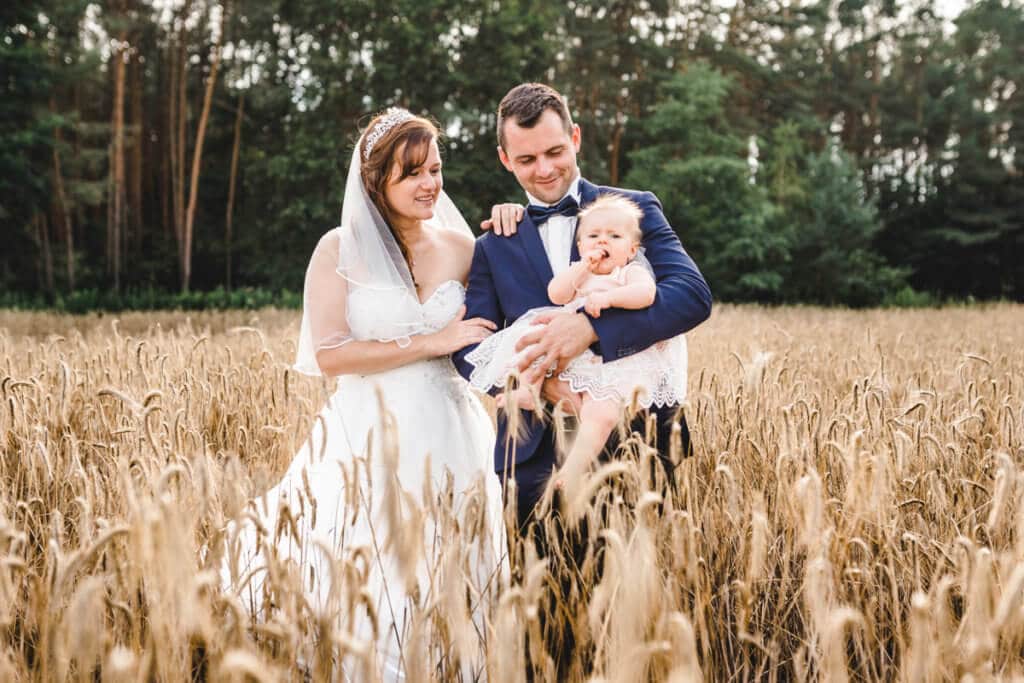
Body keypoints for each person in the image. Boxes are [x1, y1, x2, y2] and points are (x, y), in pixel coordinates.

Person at [221, 108, 507, 682]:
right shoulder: (337, 251)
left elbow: (507, 320)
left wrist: (513, 221)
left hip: (450, 427)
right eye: (413, 174)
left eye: (436, 169)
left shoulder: (463, 249)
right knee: (371, 560)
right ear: (378, 182)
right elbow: (330, 354)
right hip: (368, 432)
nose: (431, 184)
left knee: (451, 559)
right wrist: (432, 340)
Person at [451, 82, 712, 675]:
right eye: (526, 160)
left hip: (640, 442)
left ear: (574, 138)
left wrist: (591, 333)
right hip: (532, 453)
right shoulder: (495, 241)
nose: (543, 170)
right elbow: (470, 344)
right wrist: (533, 384)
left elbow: (689, 296)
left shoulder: (633, 207)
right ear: (504, 160)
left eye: (554, 152)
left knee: (640, 614)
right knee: (543, 623)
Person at [463, 194, 688, 515]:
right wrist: (582, 269)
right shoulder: (576, 269)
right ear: (580, 245)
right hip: (561, 359)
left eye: (614, 236)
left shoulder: (630, 273)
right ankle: (526, 388)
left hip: (611, 364)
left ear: (632, 249)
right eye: (593, 236)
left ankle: (574, 467)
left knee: (602, 415)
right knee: (530, 337)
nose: (602, 242)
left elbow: (647, 294)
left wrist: (610, 300)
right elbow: (556, 293)